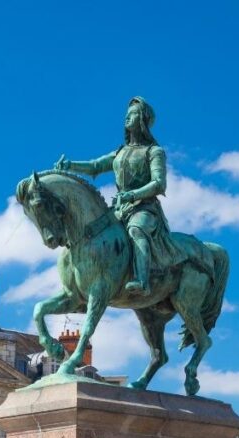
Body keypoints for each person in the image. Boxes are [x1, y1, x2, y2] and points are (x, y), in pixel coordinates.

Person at [55, 97, 182, 295]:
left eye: (133, 114)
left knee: (136, 230)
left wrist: (133, 194)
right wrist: (70, 165)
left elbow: (159, 183)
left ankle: (142, 280)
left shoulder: (154, 152)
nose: (127, 118)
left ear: (142, 120)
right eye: (127, 114)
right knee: (93, 231)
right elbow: (95, 166)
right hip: (120, 208)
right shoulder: (120, 152)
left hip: (144, 208)